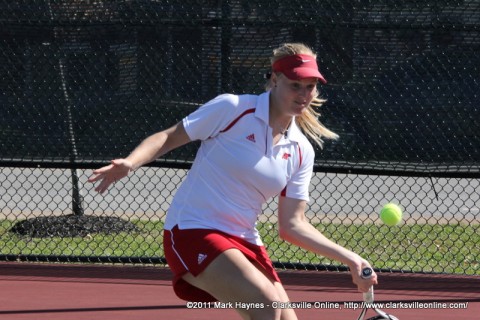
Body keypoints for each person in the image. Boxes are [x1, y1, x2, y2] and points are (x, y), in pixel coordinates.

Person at [88, 42, 378, 320]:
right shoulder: (233, 109)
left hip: (244, 241)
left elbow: (292, 226)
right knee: (267, 303)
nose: (304, 94)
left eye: (310, 86)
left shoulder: (301, 150)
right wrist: (131, 162)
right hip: (193, 229)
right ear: (275, 80)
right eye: (295, 85)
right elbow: (169, 136)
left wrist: (350, 258)